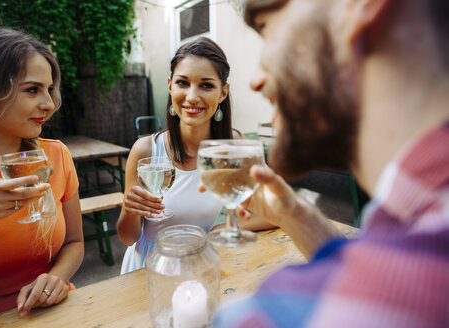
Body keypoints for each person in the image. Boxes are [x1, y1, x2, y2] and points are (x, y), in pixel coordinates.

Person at [210, 0, 449, 327]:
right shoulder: (421, 215)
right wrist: (294, 215)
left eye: (266, 27)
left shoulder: (273, 314)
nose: (256, 79)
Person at [0, 25, 84, 325]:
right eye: (32, 89)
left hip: (56, 312)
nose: (50, 104)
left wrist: (55, 278)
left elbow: (75, 243)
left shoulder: (56, 155)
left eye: (49, 89)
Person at [117, 37, 273, 274]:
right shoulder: (146, 150)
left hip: (201, 263)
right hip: (148, 268)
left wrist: (223, 228)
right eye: (183, 83)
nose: (191, 96)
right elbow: (128, 238)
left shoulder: (233, 147)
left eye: (206, 85)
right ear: (170, 86)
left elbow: (273, 213)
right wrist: (130, 209)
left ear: (223, 92)